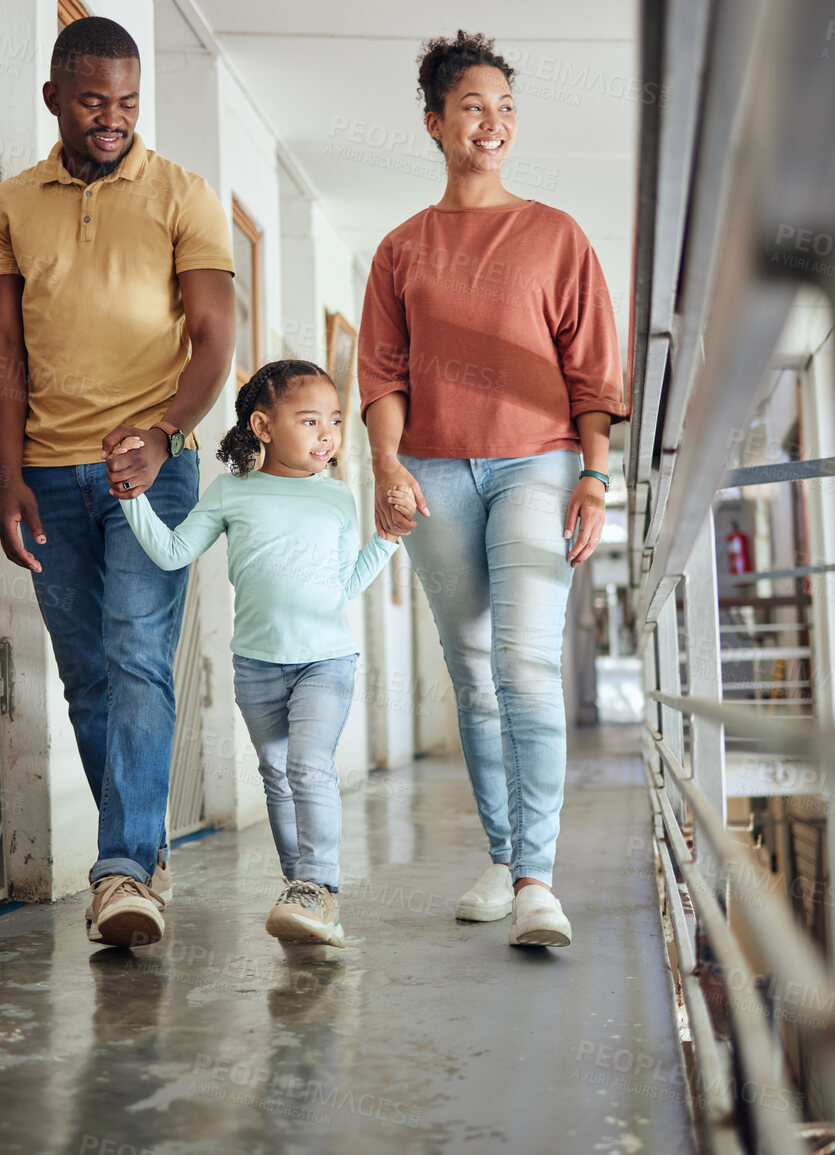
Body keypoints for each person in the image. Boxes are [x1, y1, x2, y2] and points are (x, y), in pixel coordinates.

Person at [358, 30, 626, 949]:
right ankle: (506, 853)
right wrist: (387, 468)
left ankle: (537, 879)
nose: (493, 123)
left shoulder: (554, 235)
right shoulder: (400, 250)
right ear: (434, 123)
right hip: (432, 471)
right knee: (471, 673)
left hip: (537, 463)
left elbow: (593, 373)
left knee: (524, 664)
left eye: (505, 108)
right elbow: (383, 375)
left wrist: (594, 475)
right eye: (473, 106)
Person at [0, 16, 236, 949]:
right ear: (53, 98)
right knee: (87, 675)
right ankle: (143, 853)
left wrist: (165, 434)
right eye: (93, 102)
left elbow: (213, 338)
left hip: (152, 473)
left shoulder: (184, 195)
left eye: (127, 102)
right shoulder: (11, 203)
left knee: (135, 656)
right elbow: (0, 349)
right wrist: (7, 476)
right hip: (46, 469)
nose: (113, 119)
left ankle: (122, 866)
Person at [113, 361, 407, 947]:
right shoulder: (231, 492)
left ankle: (321, 887)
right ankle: (301, 890)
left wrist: (389, 540)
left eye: (335, 422)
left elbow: (344, 585)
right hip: (256, 664)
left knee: (307, 765)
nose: (328, 435)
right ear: (264, 427)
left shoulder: (338, 499)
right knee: (276, 771)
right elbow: (172, 554)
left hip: (327, 659)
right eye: (310, 421)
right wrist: (131, 498)